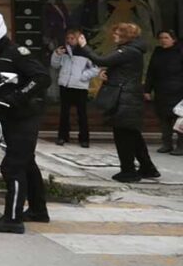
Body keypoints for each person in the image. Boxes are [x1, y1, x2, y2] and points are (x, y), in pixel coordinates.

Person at [0, 13, 50, 232]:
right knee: (27, 162)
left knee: (13, 166)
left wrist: (17, 96)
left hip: (25, 116)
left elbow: (42, 78)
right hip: (7, 116)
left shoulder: (17, 54)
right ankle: (38, 211)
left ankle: (13, 220)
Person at [76, 23, 161, 181]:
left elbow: (101, 59)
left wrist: (84, 46)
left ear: (125, 36)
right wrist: (107, 74)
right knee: (133, 135)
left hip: (125, 99)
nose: (113, 36)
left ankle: (128, 171)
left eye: (116, 34)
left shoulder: (128, 51)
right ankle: (148, 168)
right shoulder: (131, 50)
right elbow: (122, 69)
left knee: (123, 136)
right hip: (128, 97)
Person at [50, 28, 100, 148]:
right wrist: (56, 55)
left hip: (80, 86)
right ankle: (62, 136)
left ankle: (84, 138)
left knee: (81, 113)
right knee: (64, 113)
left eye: (72, 38)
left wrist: (82, 77)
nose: (69, 40)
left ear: (78, 39)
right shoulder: (64, 50)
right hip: (65, 85)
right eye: (68, 38)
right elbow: (55, 65)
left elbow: (95, 69)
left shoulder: (86, 52)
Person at [144, 29, 183, 155]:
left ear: (173, 39)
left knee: (179, 119)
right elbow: (151, 72)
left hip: (178, 91)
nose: (163, 40)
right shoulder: (158, 52)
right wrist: (147, 90)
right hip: (161, 90)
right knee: (163, 118)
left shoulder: (180, 52)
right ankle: (167, 144)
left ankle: (181, 146)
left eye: (166, 37)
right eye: (161, 38)